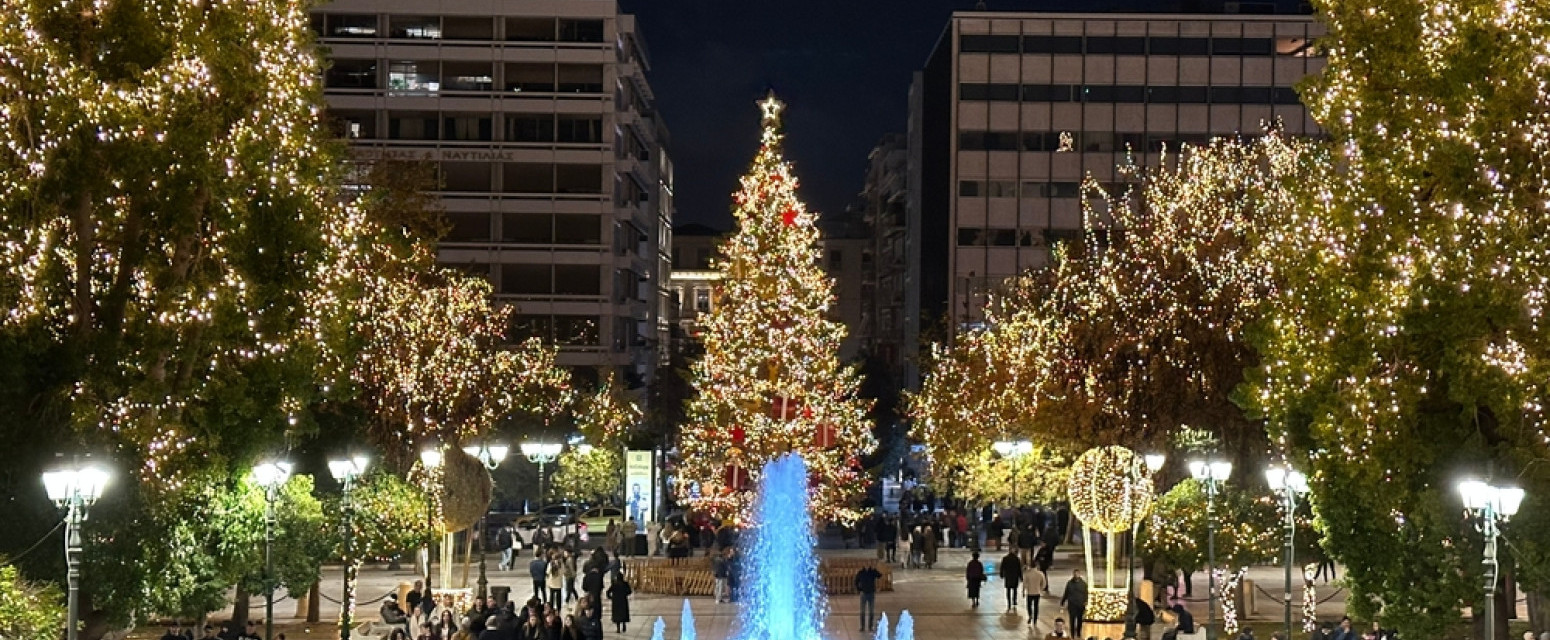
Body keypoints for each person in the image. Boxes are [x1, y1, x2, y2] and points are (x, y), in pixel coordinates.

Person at [1061, 569, 1089, 639]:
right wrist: (1062, 602)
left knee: (1080, 620)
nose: (1076, 575)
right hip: (1072, 605)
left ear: (1079, 574)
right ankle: (1072, 634)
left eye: (1077, 574)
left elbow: (1086, 594)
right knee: (1072, 620)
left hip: (1080, 605)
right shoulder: (1069, 583)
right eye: (1075, 574)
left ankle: (1078, 633)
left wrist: (1086, 601)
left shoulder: (1083, 584)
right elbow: (1066, 593)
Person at [855, 563, 883, 631]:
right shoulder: (861, 572)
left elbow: (879, 575)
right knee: (862, 611)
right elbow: (856, 581)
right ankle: (862, 627)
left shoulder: (872, 572)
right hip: (864, 593)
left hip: (871, 593)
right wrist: (859, 589)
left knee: (871, 611)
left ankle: (870, 626)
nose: (867, 565)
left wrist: (875, 569)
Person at [1025, 559, 1048, 625]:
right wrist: (1040, 589)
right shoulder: (1040, 573)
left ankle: (1030, 615)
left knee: (1029, 605)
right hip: (1037, 592)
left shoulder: (1027, 573)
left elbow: (1025, 583)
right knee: (1036, 606)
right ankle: (1035, 620)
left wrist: (1025, 590)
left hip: (1029, 592)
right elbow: (1044, 583)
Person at [1000, 548, 1023, 612]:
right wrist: (1021, 577)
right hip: (1015, 576)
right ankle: (1014, 600)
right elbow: (1019, 569)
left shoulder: (1005, 558)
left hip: (1008, 576)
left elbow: (1002, 567)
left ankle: (1009, 602)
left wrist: (1001, 574)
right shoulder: (1016, 559)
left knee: (1008, 590)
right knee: (1015, 589)